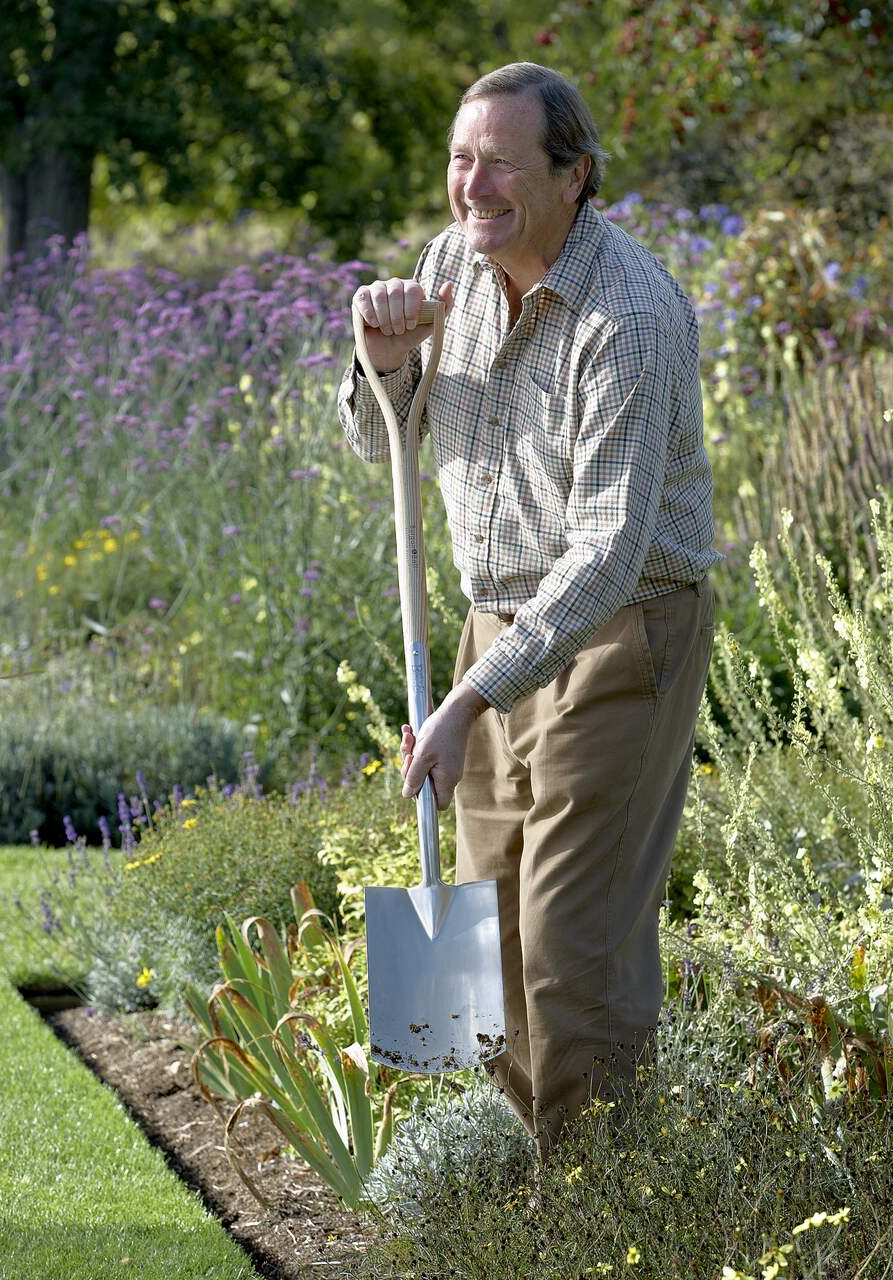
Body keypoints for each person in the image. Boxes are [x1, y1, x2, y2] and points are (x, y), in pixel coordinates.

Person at [337, 61, 723, 1160]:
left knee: (568, 935)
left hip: (620, 633)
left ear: (572, 174)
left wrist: (466, 701)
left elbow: (604, 552)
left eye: (502, 160)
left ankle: (598, 1203)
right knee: (488, 928)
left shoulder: (629, 315)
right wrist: (383, 360)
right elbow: (384, 444)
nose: (475, 184)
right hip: (491, 636)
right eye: (462, 159)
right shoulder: (444, 267)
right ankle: (522, 1177)